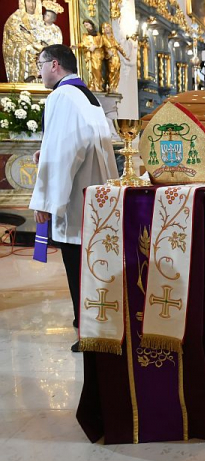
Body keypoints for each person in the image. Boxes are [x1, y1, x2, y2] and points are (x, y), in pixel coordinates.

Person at [29, 44, 118, 352]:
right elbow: (77, 144)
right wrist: (46, 154)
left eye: (40, 64)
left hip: (76, 200)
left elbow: (67, 154)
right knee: (92, 263)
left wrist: (46, 202)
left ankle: (87, 332)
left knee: (76, 264)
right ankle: (94, 324)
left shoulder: (61, 97)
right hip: (96, 195)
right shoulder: (86, 96)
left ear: (55, 64)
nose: (37, 71)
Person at [2, 0, 46, 83]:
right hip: (25, 51)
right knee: (26, 51)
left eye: (34, 1)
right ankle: (29, 77)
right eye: (29, 1)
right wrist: (31, 46)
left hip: (41, 52)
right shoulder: (15, 19)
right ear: (23, 2)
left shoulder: (41, 19)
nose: (32, 5)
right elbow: (13, 39)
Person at [101, 22, 129, 93]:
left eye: (107, 27)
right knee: (111, 71)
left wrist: (125, 55)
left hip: (116, 56)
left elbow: (119, 47)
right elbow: (102, 47)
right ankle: (110, 86)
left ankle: (114, 87)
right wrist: (108, 51)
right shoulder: (103, 38)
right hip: (110, 57)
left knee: (117, 72)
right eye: (104, 27)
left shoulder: (112, 38)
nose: (106, 29)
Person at [79, 19, 104, 92]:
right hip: (90, 55)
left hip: (97, 55)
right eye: (85, 26)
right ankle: (92, 85)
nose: (86, 27)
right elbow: (83, 44)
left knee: (97, 69)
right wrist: (76, 46)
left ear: (91, 24)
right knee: (91, 71)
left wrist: (95, 46)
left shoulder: (98, 35)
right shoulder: (85, 36)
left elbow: (101, 43)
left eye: (87, 25)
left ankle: (98, 85)